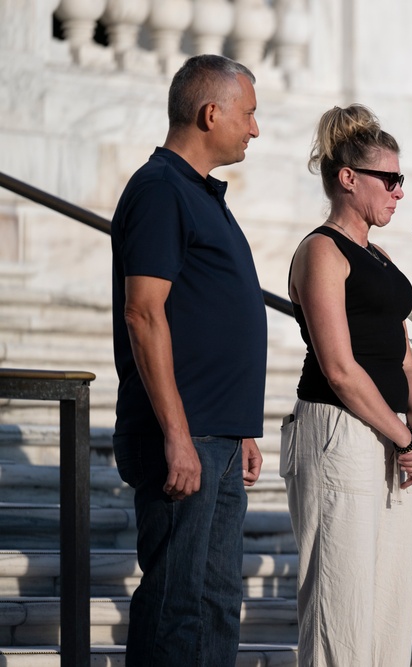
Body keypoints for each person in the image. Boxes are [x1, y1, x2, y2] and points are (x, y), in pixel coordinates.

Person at [110, 54, 265, 666]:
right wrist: (177, 434)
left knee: (217, 602)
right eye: (249, 114)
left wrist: (239, 427)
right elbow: (144, 313)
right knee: (176, 606)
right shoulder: (159, 189)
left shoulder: (199, 194)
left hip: (218, 434)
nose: (255, 128)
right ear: (211, 113)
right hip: (185, 435)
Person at [281, 104, 412, 666]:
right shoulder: (321, 250)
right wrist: (401, 434)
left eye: (401, 179)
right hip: (339, 432)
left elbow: (400, 359)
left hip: (390, 434)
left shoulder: (382, 256)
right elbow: (340, 369)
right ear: (348, 178)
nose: (399, 192)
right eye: (389, 179)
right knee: (339, 607)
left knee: (388, 604)